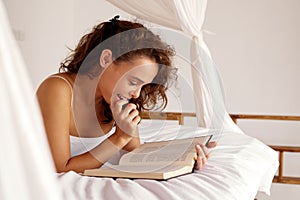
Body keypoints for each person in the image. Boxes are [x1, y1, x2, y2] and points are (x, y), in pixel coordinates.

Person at [36, 16, 216, 173]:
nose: (137, 94)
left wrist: (184, 160)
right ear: (106, 59)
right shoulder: (57, 89)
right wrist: (120, 136)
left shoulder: (117, 100)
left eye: (143, 85)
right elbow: (60, 168)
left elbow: (134, 157)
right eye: (133, 82)